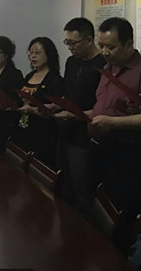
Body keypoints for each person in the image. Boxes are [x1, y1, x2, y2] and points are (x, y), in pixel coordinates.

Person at [89, 17, 141, 218]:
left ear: (129, 44)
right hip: (103, 150)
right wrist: (76, 113)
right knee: (101, 213)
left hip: (131, 158)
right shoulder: (108, 69)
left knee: (126, 218)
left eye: (110, 47)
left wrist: (112, 123)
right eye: (101, 46)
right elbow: (106, 108)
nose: (104, 52)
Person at [54, 18, 106, 212]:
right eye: (67, 42)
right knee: (63, 184)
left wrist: (74, 115)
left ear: (89, 40)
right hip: (65, 130)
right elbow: (68, 93)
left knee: (82, 189)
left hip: (86, 135)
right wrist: (56, 105)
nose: (70, 47)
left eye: (73, 43)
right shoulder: (72, 61)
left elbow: (103, 106)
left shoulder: (103, 64)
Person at [13, 37, 64, 169]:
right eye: (31, 53)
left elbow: (56, 109)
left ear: (48, 54)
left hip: (42, 133)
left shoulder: (55, 79)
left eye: (37, 53)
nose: (33, 56)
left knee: (39, 169)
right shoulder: (29, 76)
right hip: (23, 129)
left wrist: (33, 109)